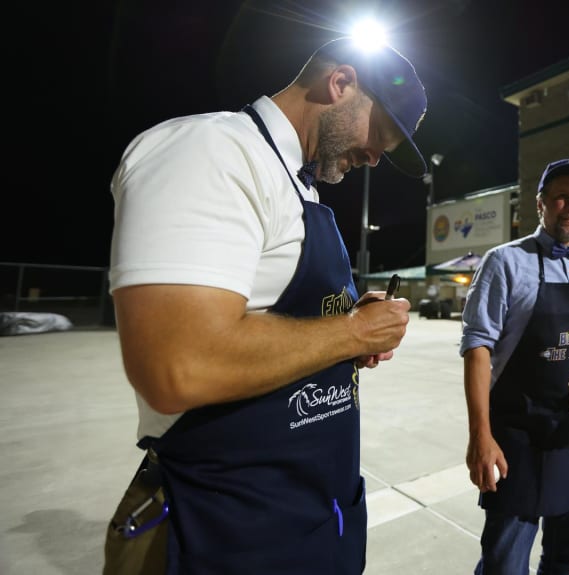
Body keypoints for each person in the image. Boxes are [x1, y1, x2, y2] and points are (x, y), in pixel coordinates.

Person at [104, 37, 427, 574]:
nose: (375, 157)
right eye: (379, 136)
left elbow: (276, 315)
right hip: (222, 530)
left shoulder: (299, 188)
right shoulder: (210, 152)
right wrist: (352, 333)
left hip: (310, 520)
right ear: (340, 83)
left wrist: (347, 319)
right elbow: (179, 364)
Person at [461, 158, 569, 574]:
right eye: (561, 197)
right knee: (503, 563)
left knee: (565, 560)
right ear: (540, 204)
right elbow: (477, 347)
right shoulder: (504, 262)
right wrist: (480, 435)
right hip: (518, 438)